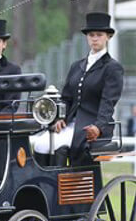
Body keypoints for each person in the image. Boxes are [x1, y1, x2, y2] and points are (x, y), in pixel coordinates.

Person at [31, 12, 124, 166]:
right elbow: (67, 98)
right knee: (41, 144)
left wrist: (98, 127)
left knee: (57, 145)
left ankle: (59, 186)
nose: (95, 38)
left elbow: (108, 103)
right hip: (71, 123)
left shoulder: (112, 68)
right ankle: (44, 188)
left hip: (92, 126)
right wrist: (61, 118)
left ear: (108, 37)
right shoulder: (77, 66)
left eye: (99, 35)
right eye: (91, 35)